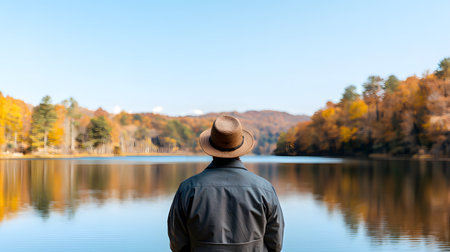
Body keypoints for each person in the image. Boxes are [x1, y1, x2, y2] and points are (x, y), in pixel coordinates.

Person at [168, 115, 284, 252]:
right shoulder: (265, 189)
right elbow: (275, 244)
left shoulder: (187, 189)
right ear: (240, 148)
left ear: (211, 147)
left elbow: (178, 244)